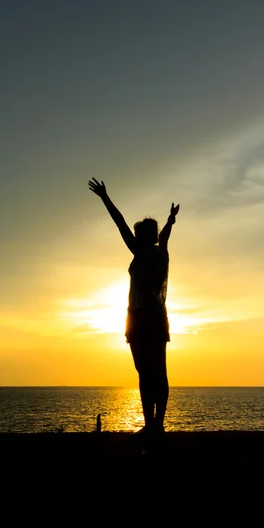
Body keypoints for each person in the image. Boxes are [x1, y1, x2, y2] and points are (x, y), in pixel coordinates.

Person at [88, 177, 179, 444]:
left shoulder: (139, 253)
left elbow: (120, 223)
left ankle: (152, 425)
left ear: (141, 237)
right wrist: (171, 220)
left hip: (140, 316)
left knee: (144, 372)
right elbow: (165, 236)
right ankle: (156, 425)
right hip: (157, 318)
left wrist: (105, 197)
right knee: (158, 372)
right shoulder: (163, 254)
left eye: (139, 233)